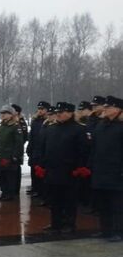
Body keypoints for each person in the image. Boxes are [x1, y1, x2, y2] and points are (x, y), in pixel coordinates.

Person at [39, 102, 89, 234]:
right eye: (58, 112)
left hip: (70, 171)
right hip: (53, 170)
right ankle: (56, 223)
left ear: (71, 113)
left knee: (69, 200)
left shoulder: (79, 129)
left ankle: (69, 223)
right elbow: (45, 149)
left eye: (62, 112)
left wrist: (79, 167)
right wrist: (42, 165)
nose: (59, 114)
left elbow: (83, 151)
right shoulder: (51, 128)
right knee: (54, 200)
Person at [90, 95, 123, 242]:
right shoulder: (101, 125)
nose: (105, 109)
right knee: (103, 203)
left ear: (118, 109)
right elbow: (95, 146)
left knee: (117, 203)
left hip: (117, 171)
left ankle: (118, 231)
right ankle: (105, 230)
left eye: (108, 107)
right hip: (101, 170)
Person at [0, 105, 24, 201]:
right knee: (2, 175)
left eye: (5, 113)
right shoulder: (3, 125)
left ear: (11, 115)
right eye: (2, 113)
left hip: (9, 156)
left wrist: (15, 156)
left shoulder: (15, 126)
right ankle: (4, 192)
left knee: (9, 176)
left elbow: (19, 143)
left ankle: (10, 194)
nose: (3, 115)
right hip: (1, 155)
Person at [26, 101, 50, 197]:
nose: (40, 111)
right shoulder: (35, 121)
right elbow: (31, 135)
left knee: (42, 171)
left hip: (42, 150)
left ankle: (41, 191)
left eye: (42, 109)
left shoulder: (47, 122)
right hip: (34, 149)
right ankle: (35, 188)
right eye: (39, 109)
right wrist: (29, 148)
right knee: (33, 170)